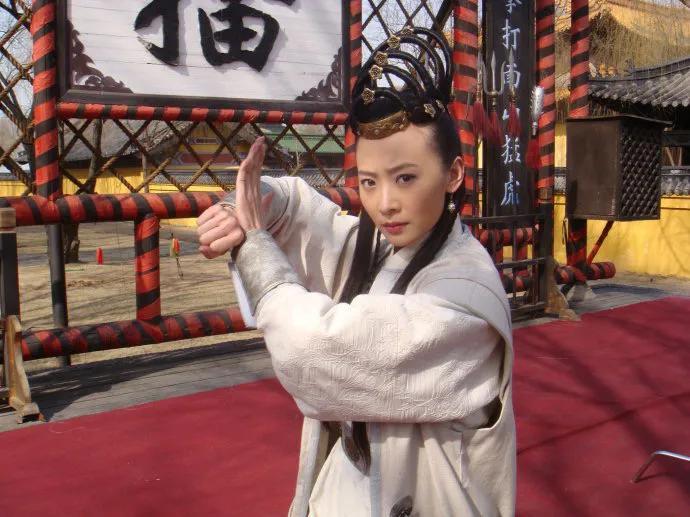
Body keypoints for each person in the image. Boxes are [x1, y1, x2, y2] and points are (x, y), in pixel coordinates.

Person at [196, 26, 515, 517]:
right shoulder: (384, 245)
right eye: (369, 182)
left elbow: (316, 347)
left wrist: (257, 244)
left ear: (453, 174)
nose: (384, 204)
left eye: (405, 178)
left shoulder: (463, 294)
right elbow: (312, 219)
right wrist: (257, 204)